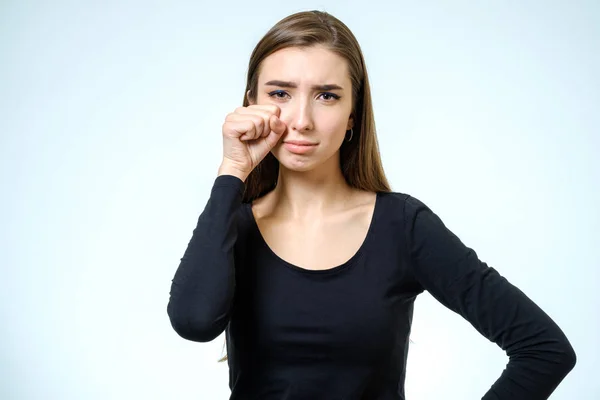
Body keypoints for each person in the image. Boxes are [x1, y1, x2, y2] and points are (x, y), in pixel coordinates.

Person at [167, 10, 576, 400]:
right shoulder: (232, 228)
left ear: (352, 116)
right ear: (251, 103)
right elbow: (194, 322)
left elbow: (543, 349)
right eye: (281, 93)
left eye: (327, 96)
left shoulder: (403, 226)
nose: (301, 120)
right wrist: (231, 172)